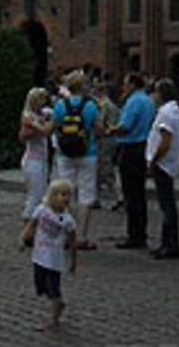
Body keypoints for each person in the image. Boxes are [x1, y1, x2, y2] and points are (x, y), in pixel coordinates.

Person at [50, 70, 102, 250]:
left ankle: (67, 234)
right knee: (86, 194)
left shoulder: (59, 105)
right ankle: (81, 236)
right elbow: (99, 129)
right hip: (88, 152)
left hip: (64, 153)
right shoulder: (91, 105)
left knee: (65, 194)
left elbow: (54, 127)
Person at [22, 177, 77, 330]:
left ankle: (54, 316)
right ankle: (56, 301)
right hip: (39, 255)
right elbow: (31, 225)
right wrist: (23, 238)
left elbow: (73, 242)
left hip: (54, 260)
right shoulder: (41, 210)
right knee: (40, 285)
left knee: (53, 286)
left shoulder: (68, 220)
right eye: (63, 194)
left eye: (68, 195)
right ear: (53, 195)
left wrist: (73, 261)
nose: (66, 198)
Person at [112, 72, 156, 249]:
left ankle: (134, 235)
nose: (123, 87)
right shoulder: (148, 101)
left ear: (132, 84)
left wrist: (110, 130)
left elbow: (125, 126)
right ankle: (140, 233)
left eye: (125, 83)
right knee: (139, 193)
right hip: (143, 146)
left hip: (130, 148)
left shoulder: (133, 101)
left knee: (130, 193)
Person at [146, 77, 179, 259]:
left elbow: (165, 141)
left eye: (155, 91)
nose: (153, 95)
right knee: (168, 205)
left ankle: (169, 245)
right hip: (169, 163)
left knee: (166, 206)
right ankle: (169, 243)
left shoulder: (166, 114)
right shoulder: (175, 111)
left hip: (163, 164)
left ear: (161, 94)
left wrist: (153, 160)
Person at [20, 87, 53, 221]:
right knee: (35, 195)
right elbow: (25, 134)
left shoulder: (44, 114)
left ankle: (36, 221)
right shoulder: (29, 116)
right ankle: (28, 220)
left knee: (42, 193)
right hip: (33, 159)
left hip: (42, 158)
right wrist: (41, 125)